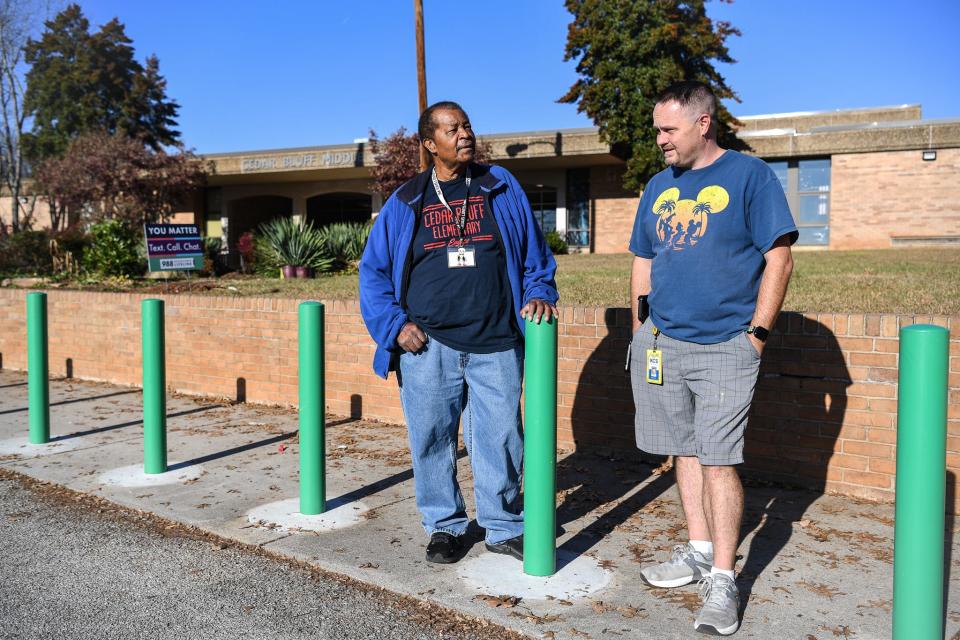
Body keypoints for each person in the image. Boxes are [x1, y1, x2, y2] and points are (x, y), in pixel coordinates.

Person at [628, 81, 796, 636]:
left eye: (668, 130)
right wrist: (640, 331)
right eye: (657, 129)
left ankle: (723, 579)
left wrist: (757, 335)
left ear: (703, 124)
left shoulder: (750, 177)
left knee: (719, 459)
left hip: (727, 343)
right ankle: (699, 550)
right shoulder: (658, 186)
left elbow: (779, 257)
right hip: (664, 342)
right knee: (683, 450)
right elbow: (643, 261)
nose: (660, 140)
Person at [359, 101, 558, 564]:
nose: (464, 134)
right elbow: (373, 273)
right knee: (431, 439)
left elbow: (534, 254)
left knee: (502, 438)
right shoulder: (407, 200)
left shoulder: (499, 185)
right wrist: (395, 327)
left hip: (497, 341)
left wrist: (540, 291)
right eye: (452, 129)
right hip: (429, 344)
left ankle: (503, 524)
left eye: (466, 125)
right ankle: (445, 526)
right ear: (430, 144)